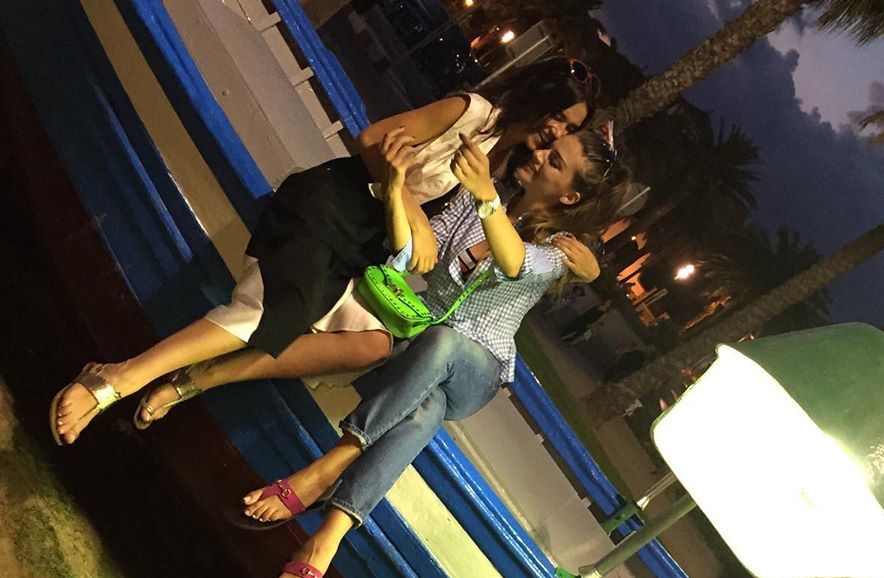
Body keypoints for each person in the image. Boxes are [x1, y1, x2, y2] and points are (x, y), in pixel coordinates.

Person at [48, 57, 602, 445]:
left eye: (568, 129)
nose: (556, 131)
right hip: (336, 203)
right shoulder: (472, 113)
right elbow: (371, 139)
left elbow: (516, 246)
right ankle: (120, 378)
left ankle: (198, 378)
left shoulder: (505, 169)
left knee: (374, 344)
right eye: (560, 117)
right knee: (279, 309)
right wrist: (411, 209)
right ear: (539, 98)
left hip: (367, 247)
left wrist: (584, 263)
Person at [242, 125, 630, 578]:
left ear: (569, 196)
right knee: (425, 410)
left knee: (445, 344)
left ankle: (328, 465)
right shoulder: (481, 198)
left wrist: (487, 197)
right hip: (421, 347)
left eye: (554, 162)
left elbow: (515, 263)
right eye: (547, 149)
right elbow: (420, 250)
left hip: (476, 366)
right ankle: (327, 538)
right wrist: (399, 190)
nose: (539, 156)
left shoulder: (560, 248)